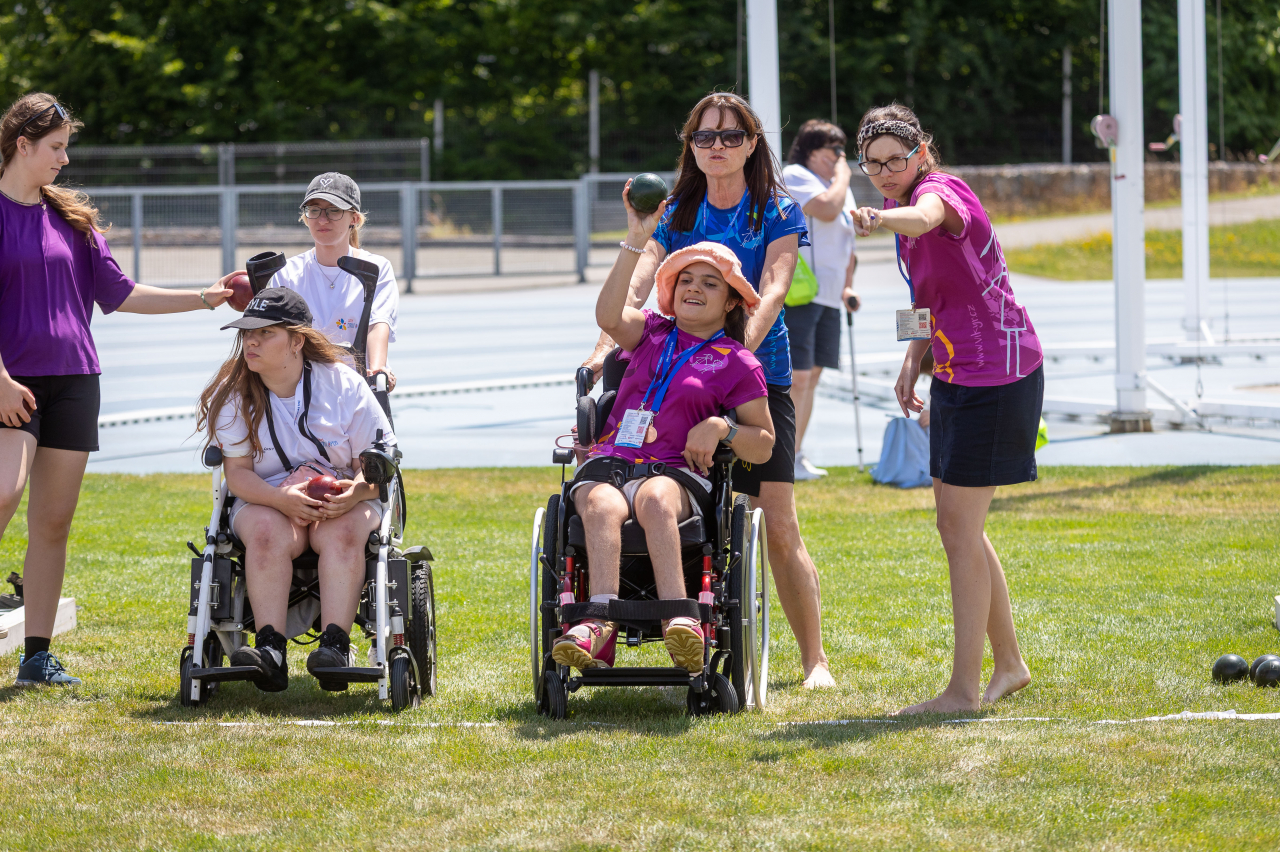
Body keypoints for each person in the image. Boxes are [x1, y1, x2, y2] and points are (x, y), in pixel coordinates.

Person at [583, 92, 836, 689]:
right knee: (662, 496)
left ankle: (815, 660)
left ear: (752, 144)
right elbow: (638, 285)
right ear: (690, 146)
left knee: (777, 522)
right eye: (704, 136)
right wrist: (602, 348)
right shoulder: (676, 209)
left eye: (730, 136)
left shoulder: (775, 208)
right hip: (679, 377)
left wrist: (730, 353)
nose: (716, 146)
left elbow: (773, 288)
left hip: (755, 375)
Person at [0, 93, 239, 687]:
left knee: (52, 523)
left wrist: (205, 298)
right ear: (22, 145)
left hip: (76, 381)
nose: (64, 160)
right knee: (4, 493)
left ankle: (36, 658)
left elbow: (123, 294)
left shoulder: (72, 221)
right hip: (9, 382)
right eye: (56, 148)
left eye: (66, 148)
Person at [851, 104, 1044, 715]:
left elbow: (927, 215)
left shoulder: (939, 193)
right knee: (958, 526)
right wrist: (912, 360)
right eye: (873, 164)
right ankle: (1009, 665)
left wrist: (881, 215)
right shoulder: (903, 221)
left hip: (1000, 375)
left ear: (921, 152)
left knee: (960, 529)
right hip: (957, 375)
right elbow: (925, 299)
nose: (885, 172)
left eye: (895, 160)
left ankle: (962, 691)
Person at [555, 223, 775, 673]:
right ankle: (598, 621)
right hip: (613, 462)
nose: (693, 288)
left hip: (675, 474)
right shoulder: (651, 331)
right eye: (686, 280)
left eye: (709, 283)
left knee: (655, 499)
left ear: (731, 301)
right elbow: (608, 317)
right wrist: (635, 239)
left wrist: (722, 427)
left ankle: (681, 619)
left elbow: (764, 445)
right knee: (599, 504)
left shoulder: (739, 362)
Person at [196, 289, 394, 693]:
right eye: (247, 333)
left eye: (265, 333)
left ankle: (335, 647)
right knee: (265, 532)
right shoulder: (234, 394)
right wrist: (280, 500)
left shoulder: (343, 385)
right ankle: (270, 650)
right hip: (266, 496)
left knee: (341, 533)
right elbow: (239, 475)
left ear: (296, 341)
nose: (251, 342)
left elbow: (378, 465)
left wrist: (354, 493)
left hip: (345, 492)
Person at [782, 120, 861, 481]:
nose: (840, 158)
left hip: (830, 296)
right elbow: (827, 209)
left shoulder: (840, 186)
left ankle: (796, 455)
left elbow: (850, 241)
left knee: (812, 378)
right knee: (797, 378)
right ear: (812, 152)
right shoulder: (797, 175)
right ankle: (783, 458)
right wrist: (843, 175)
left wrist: (848, 287)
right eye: (835, 151)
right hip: (802, 293)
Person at [270, 172, 399, 388]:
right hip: (303, 389)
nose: (322, 219)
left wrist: (377, 371)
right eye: (314, 210)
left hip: (358, 388)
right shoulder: (287, 273)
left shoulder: (377, 268)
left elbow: (378, 325)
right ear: (306, 217)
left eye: (334, 210)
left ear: (354, 219)